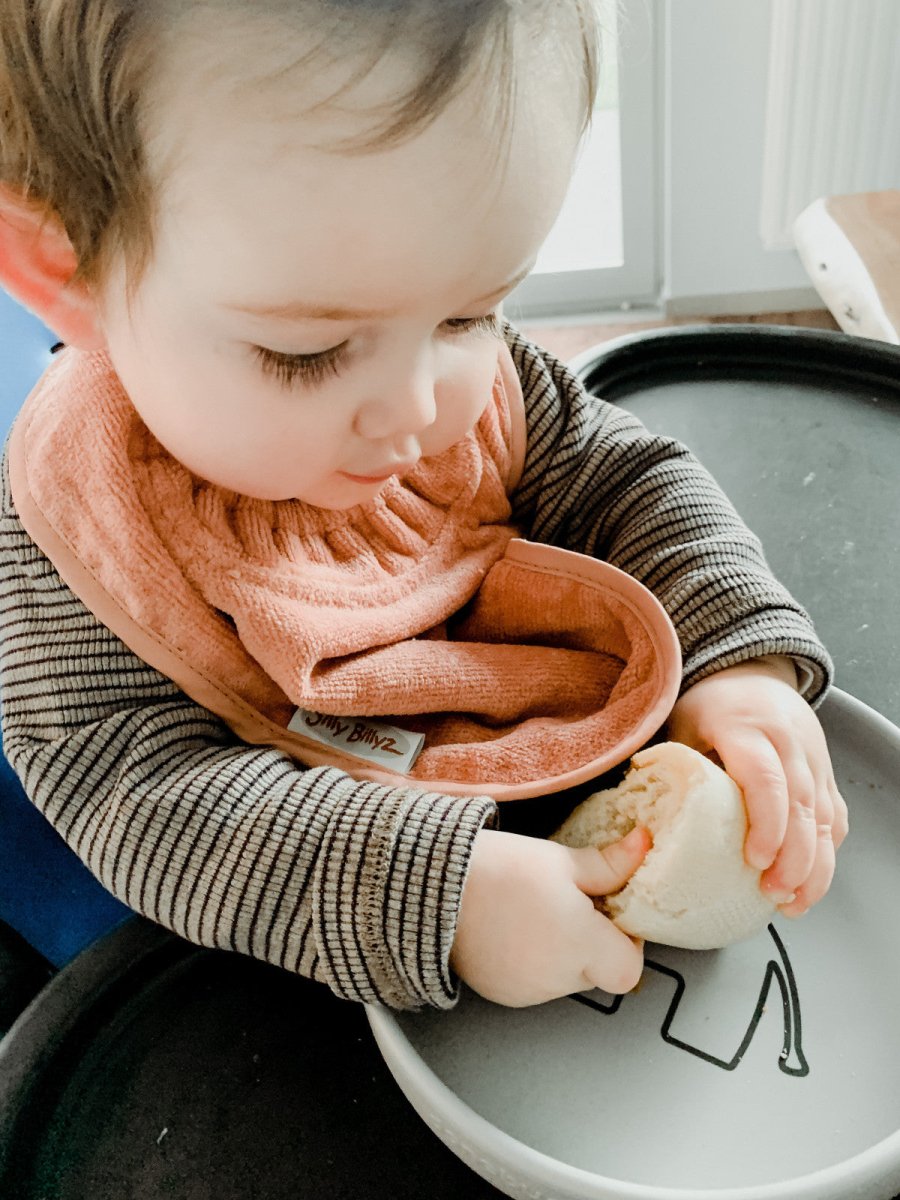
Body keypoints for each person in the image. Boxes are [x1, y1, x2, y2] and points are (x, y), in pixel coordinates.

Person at [0, 0, 846, 1012]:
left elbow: (624, 475)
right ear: (68, 272)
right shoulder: (82, 530)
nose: (417, 408)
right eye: (308, 352)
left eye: (470, 313)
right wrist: (439, 896)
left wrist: (738, 666)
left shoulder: (446, 372)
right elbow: (138, 794)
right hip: (284, 940)